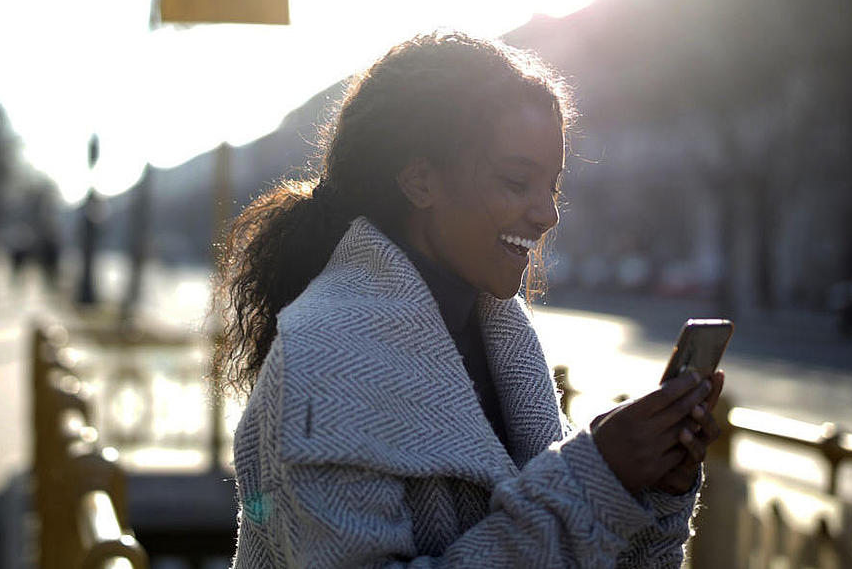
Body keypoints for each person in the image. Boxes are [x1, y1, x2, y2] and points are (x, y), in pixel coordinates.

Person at [215, 31, 725, 567]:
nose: (546, 213)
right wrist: (596, 477)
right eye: (514, 181)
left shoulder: (501, 331)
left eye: (550, 186)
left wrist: (647, 488)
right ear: (420, 181)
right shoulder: (322, 357)